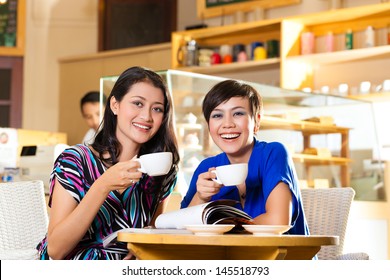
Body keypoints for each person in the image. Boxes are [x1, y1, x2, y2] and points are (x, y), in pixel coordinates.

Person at [37, 66, 180, 260]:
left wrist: (142, 250)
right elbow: (56, 250)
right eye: (138, 103)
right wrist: (103, 185)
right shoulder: (75, 160)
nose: (147, 116)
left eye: (157, 109)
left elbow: (151, 232)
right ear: (115, 105)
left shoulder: (161, 169)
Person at [180, 79, 309, 235]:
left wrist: (221, 229)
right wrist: (201, 197)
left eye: (238, 113)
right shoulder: (206, 168)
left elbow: (277, 221)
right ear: (209, 125)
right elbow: (183, 230)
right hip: (229, 258)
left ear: (256, 121)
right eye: (217, 115)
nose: (227, 124)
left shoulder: (273, 153)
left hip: (283, 257)